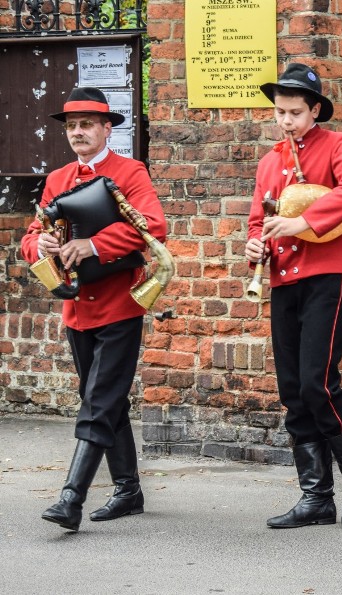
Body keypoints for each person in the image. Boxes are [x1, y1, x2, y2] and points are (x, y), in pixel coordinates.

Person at [21, 87, 167, 532]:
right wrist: (40, 244)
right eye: (72, 126)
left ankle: (71, 497)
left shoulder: (130, 171)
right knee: (104, 400)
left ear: (107, 129)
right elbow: (32, 234)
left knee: (98, 401)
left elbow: (153, 226)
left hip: (120, 303)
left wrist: (94, 244)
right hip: (77, 311)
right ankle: (128, 490)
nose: (78, 132)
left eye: (87, 124)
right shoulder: (58, 178)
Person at [246, 63, 342, 529]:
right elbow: (258, 219)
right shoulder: (269, 161)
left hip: (329, 276)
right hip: (284, 278)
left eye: (295, 112)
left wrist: (302, 223)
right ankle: (315, 496)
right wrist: (254, 244)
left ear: (315, 109)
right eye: (280, 112)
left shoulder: (339, 145)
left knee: (317, 383)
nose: (285, 121)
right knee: (292, 391)